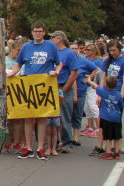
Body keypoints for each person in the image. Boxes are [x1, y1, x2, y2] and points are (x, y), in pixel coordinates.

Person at [7, 22, 62, 160]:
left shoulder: (50, 46)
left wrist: (56, 71)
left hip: (44, 84)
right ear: (32, 32)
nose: (37, 33)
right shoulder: (26, 47)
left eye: (40, 31)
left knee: (42, 116)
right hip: (29, 84)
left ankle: (40, 148)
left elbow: (59, 63)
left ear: (44, 32)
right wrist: (12, 73)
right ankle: (29, 148)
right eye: (35, 31)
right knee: (28, 116)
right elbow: (18, 64)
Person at [51, 31, 79, 152]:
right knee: (53, 116)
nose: (51, 39)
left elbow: (74, 73)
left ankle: (67, 142)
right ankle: (55, 141)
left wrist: (65, 89)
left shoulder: (69, 53)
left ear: (59, 39)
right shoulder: (54, 52)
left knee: (64, 115)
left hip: (63, 87)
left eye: (52, 37)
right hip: (53, 86)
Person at [93, 76, 124, 160]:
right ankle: (117, 152)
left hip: (106, 118)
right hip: (116, 119)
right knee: (116, 136)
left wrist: (88, 80)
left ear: (106, 84)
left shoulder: (104, 92)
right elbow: (122, 105)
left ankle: (108, 152)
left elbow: (95, 85)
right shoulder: (118, 95)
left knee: (108, 136)